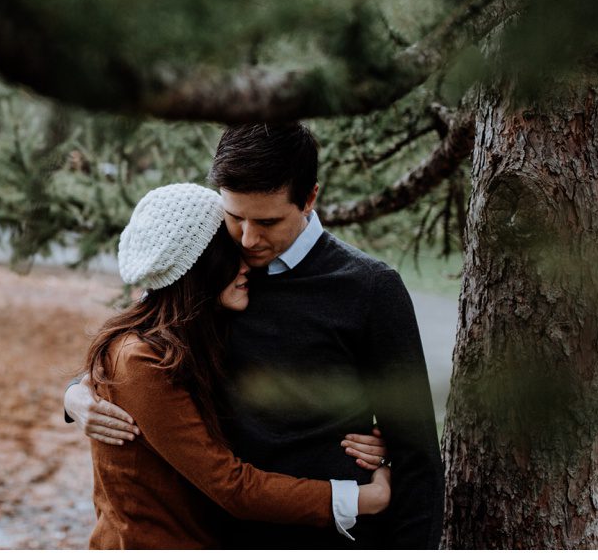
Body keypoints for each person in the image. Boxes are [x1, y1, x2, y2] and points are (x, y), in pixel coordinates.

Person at [68, 123, 443, 549]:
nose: (249, 239)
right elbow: (145, 338)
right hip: (221, 535)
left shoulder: (368, 288)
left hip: (331, 539)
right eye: (235, 217)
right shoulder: (208, 270)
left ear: (309, 199)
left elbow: (417, 457)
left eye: (267, 221)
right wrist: (76, 395)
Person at [87, 183, 391, 549]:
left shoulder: (197, 334)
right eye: (231, 251)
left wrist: (376, 437)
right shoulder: (139, 358)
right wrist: (365, 499)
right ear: (199, 267)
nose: (248, 260)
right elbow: (230, 485)